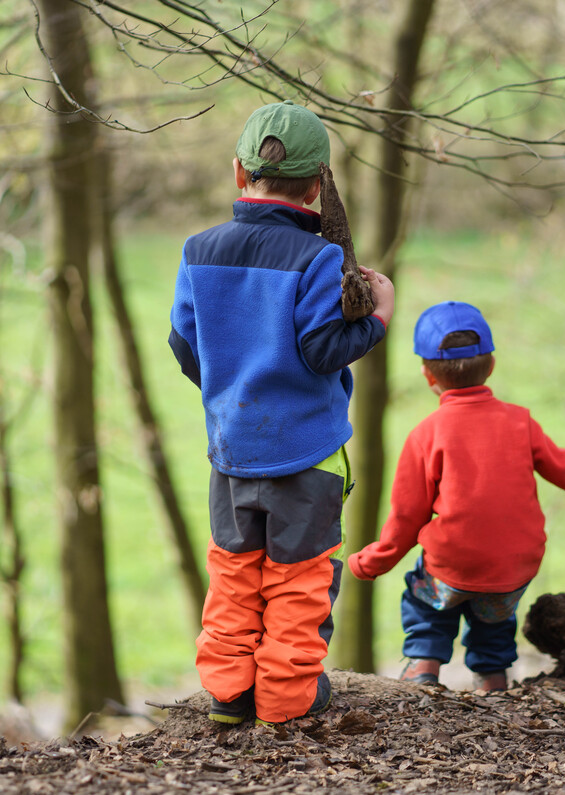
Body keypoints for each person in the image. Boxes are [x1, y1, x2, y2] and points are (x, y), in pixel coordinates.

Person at [169, 100, 394, 725]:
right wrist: (379, 314)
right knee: (299, 578)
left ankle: (229, 692)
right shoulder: (319, 259)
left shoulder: (198, 250)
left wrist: (230, 388)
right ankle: (288, 695)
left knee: (234, 571)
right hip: (308, 455)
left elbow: (186, 347)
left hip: (233, 451)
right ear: (318, 184)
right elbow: (325, 350)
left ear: (239, 175)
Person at [347, 301, 565, 691]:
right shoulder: (520, 423)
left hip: (453, 563)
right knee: (494, 614)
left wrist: (372, 561)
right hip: (513, 567)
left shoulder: (426, 434)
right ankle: (493, 678)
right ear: (491, 366)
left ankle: (423, 668)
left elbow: (407, 517)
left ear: (429, 375)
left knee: (425, 598)